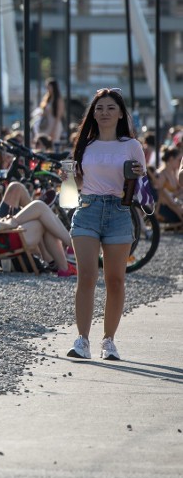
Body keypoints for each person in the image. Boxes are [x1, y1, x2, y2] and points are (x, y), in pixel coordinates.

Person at [66, 87, 146, 361]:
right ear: (93, 113)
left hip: (119, 211)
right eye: (99, 108)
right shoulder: (85, 145)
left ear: (121, 113)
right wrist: (67, 176)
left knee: (115, 280)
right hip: (88, 208)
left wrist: (136, 177)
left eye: (111, 108)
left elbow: (140, 187)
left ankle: (109, 340)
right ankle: (82, 340)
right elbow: (76, 184)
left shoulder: (132, 146)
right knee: (86, 276)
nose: (104, 113)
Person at [152, 145, 183, 224]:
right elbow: (160, 195)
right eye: (179, 160)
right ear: (171, 159)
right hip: (167, 208)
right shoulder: (161, 174)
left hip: (175, 205)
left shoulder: (173, 173)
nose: (180, 163)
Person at [32, 78, 65, 144]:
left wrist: (54, 129)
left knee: (53, 142)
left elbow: (58, 116)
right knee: (43, 141)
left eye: (49, 87)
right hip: (46, 124)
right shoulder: (47, 98)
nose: (48, 89)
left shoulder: (58, 99)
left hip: (55, 123)